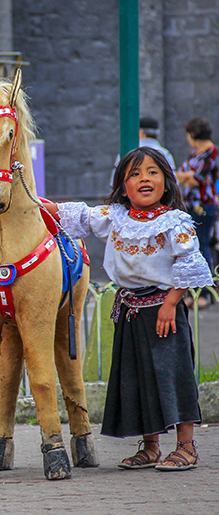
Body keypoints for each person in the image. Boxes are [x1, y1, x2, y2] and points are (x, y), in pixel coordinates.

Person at [44, 147, 213, 471]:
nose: (144, 179)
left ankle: (187, 447)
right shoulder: (115, 217)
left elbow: (189, 263)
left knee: (171, 376)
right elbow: (78, 216)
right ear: (123, 187)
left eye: (152, 172)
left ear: (166, 182)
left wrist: (171, 304)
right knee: (138, 379)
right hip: (129, 309)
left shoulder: (175, 221)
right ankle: (150, 447)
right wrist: (38, 203)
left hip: (164, 312)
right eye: (134, 174)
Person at [175, 117, 218, 308]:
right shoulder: (195, 154)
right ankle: (194, 291)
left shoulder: (212, 153)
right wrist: (187, 177)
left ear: (193, 134)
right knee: (192, 247)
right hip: (190, 205)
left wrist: (187, 177)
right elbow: (180, 174)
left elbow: (195, 180)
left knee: (203, 246)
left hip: (204, 205)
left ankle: (206, 293)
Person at [112, 116, 176, 183]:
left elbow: (114, 182)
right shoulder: (165, 154)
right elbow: (174, 181)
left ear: (141, 132)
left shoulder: (127, 152)